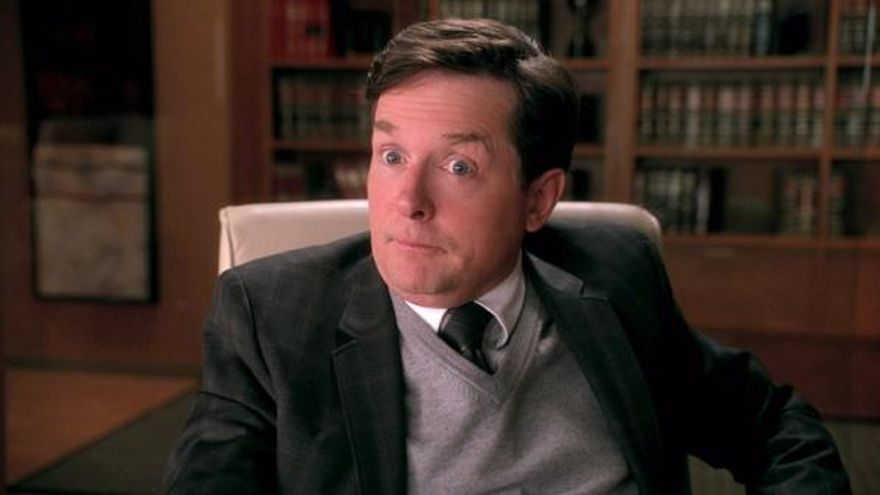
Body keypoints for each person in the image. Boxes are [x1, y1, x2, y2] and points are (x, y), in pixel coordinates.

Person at [164, 18, 850, 494]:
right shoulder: (271, 315)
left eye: (459, 166)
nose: (408, 202)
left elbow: (775, 426)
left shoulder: (615, 272)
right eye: (391, 155)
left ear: (538, 199)